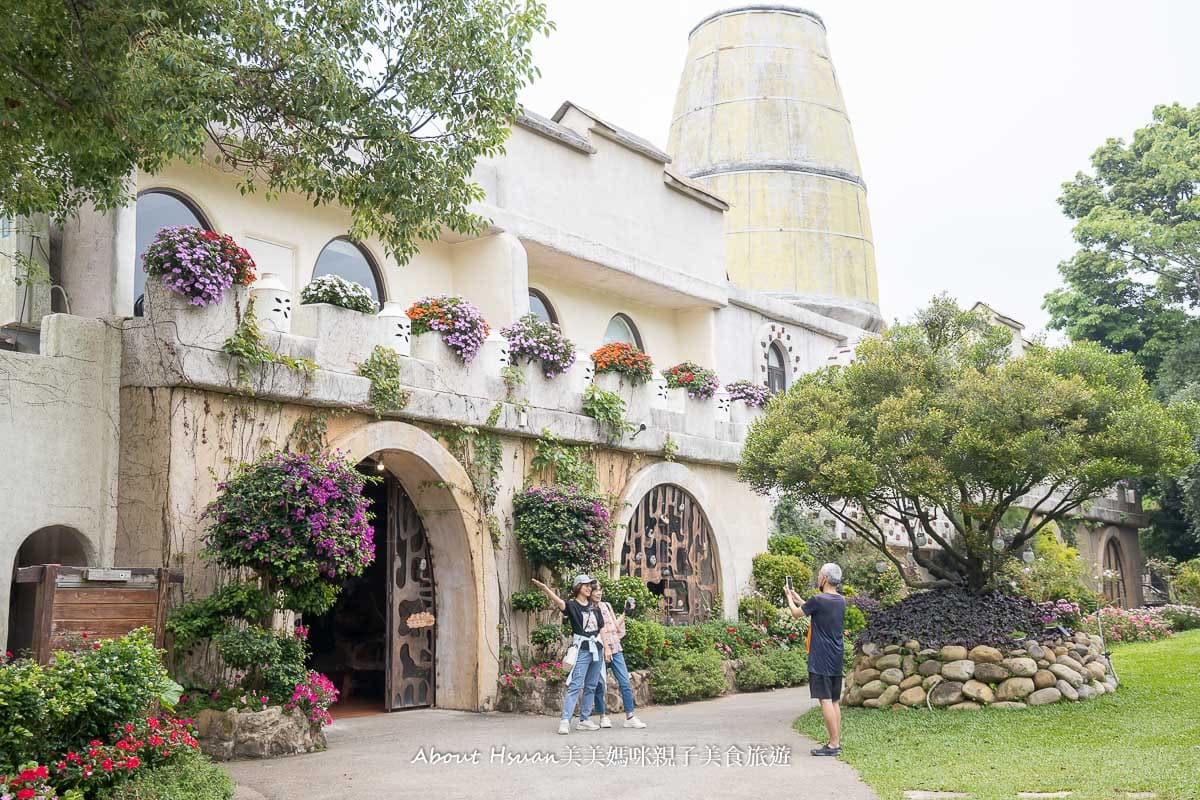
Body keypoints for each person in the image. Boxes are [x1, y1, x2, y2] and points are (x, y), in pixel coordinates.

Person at [531, 575, 606, 734]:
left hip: (597, 650)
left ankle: (584, 720)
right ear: (578, 587)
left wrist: (606, 649)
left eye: (589, 586)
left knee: (591, 686)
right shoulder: (572, 606)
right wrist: (545, 589)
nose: (588, 588)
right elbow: (560, 603)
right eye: (584, 585)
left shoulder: (595, 607)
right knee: (575, 685)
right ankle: (565, 720)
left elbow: (601, 629)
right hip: (583, 650)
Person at [786, 563, 846, 757]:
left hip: (820, 656)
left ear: (825, 579)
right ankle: (836, 741)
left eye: (820, 575)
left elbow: (796, 614)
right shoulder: (840, 600)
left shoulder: (818, 599)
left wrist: (789, 598)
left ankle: (833, 744)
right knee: (835, 700)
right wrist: (800, 600)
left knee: (825, 699)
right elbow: (816, 610)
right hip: (836, 656)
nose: (818, 578)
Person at [578, 582, 647, 729]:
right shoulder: (588, 608)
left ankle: (630, 717)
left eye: (600, 590)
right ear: (589, 591)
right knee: (599, 685)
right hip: (600, 650)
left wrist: (625, 612)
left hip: (615, 648)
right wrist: (604, 649)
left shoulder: (606, 606)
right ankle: (603, 717)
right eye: (596, 590)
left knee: (625, 682)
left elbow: (615, 626)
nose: (598, 593)